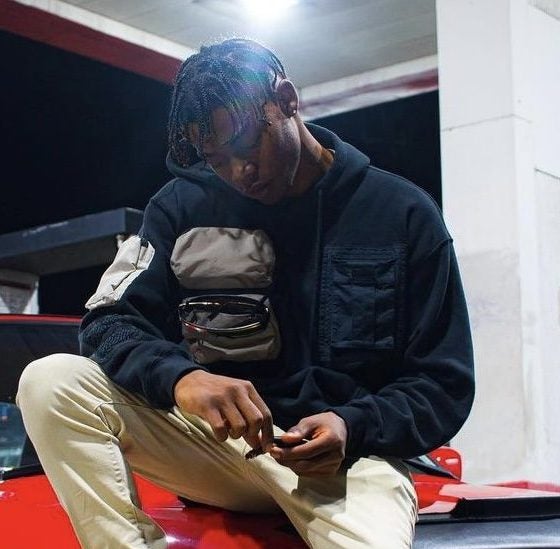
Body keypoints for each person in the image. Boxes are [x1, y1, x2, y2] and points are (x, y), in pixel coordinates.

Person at [17, 38, 475, 549]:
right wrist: (183, 379)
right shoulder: (180, 207)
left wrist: (352, 424)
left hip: (348, 465)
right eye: (217, 159)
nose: (240, 173)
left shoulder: (402, 214)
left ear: (287, 100)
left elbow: (443, 384)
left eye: (248, 145)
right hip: (214, 449)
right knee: (51, 380)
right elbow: (108, 323)